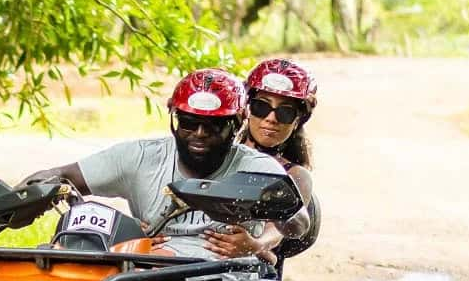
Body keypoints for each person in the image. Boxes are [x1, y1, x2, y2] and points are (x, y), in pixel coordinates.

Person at [23, 68, 296, 260]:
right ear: (175, 121)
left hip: (225, 278)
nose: (199, 133)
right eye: (189, 123)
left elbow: (298, 222)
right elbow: (63, 175)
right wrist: (26, 195)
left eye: (213, 126)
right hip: (146, 270)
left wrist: (257, 245)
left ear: (236, 124)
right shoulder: (141, 156)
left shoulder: (257, 168)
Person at [239, 58, 320, 268]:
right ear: (248, 109)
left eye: (284, 112)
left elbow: (278, 229)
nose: (271, 118)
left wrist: (255, 245)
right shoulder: (218, 156)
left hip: (253, 265)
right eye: (261, 107)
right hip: (195, 253)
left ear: (297, 121)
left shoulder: (295, 175)